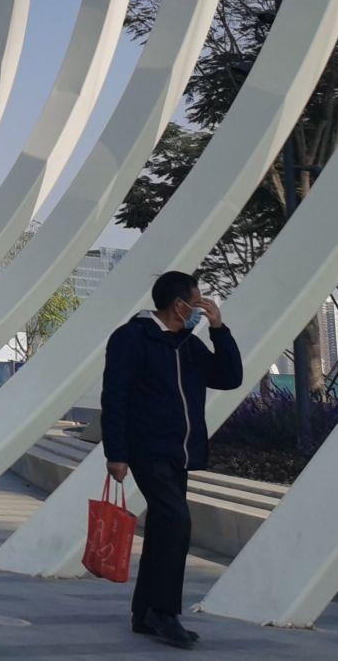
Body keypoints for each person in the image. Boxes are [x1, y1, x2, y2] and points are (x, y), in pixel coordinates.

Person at [103, 271, 243, 650]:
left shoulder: (187, 345)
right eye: (196, 303)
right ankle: (165, 613)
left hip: (179, 453)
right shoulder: (131, 338)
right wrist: (115, 453)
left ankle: (145, 612)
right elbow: (114, 396)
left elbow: (229, 377)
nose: (200, 309)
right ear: (178, 304)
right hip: (146, 449)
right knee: (176, 522)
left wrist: (219, 330)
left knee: (167, 527)